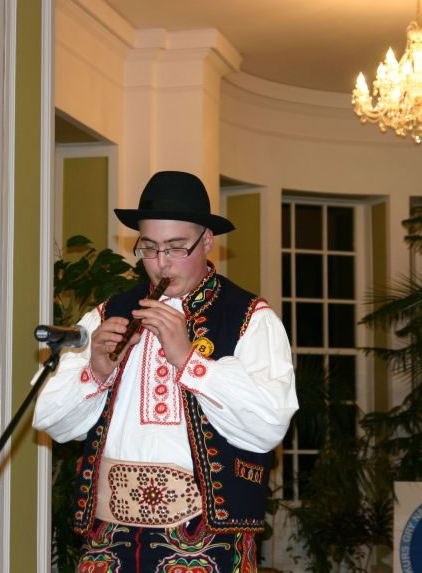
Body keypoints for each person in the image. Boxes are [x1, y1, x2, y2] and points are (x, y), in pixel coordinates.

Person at [33, 170, 297, 571]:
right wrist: (96, 372)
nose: (160, 263)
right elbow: (48, 417)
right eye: (149, 248)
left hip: (207, 538)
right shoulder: (106, 314)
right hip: (109, 536)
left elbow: (269, 424)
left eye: (176, 248)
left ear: (207, 241)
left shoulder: (250, 317)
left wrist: (189, 360)